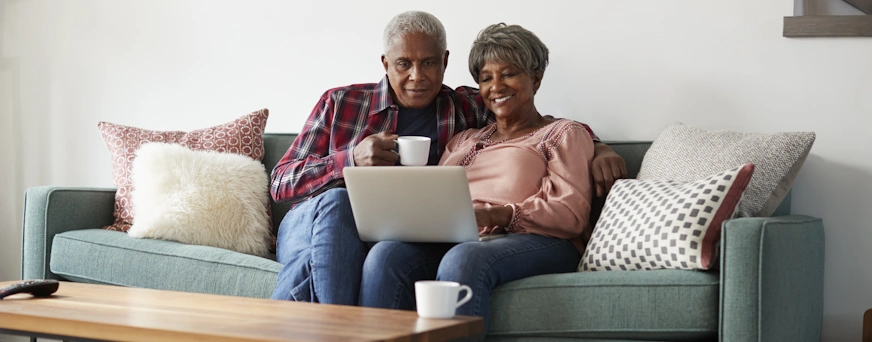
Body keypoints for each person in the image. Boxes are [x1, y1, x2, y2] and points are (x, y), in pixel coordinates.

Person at [269, 11, 626, 305]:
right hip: (313, 219)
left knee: (382, 254)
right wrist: (348, 160)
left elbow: (541, 128)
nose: (417, 76)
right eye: (404, 64)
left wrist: (600, 146)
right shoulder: (342, 102)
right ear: (385, 63)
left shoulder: (464, 109)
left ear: (445, 62)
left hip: (428, 234)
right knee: (337, 201)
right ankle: (338, 329)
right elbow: (281, 181)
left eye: (428, 63)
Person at [357, 22, 594, 333]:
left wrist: (494, 213)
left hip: (538, 240)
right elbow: (437, 199)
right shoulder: (464, 139)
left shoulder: (561, 134)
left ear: (535, 78)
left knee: (463, 259)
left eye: (508, 73)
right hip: (463, 237)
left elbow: (571, 214)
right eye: (486, 78)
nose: (496, 86)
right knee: (386, 255)